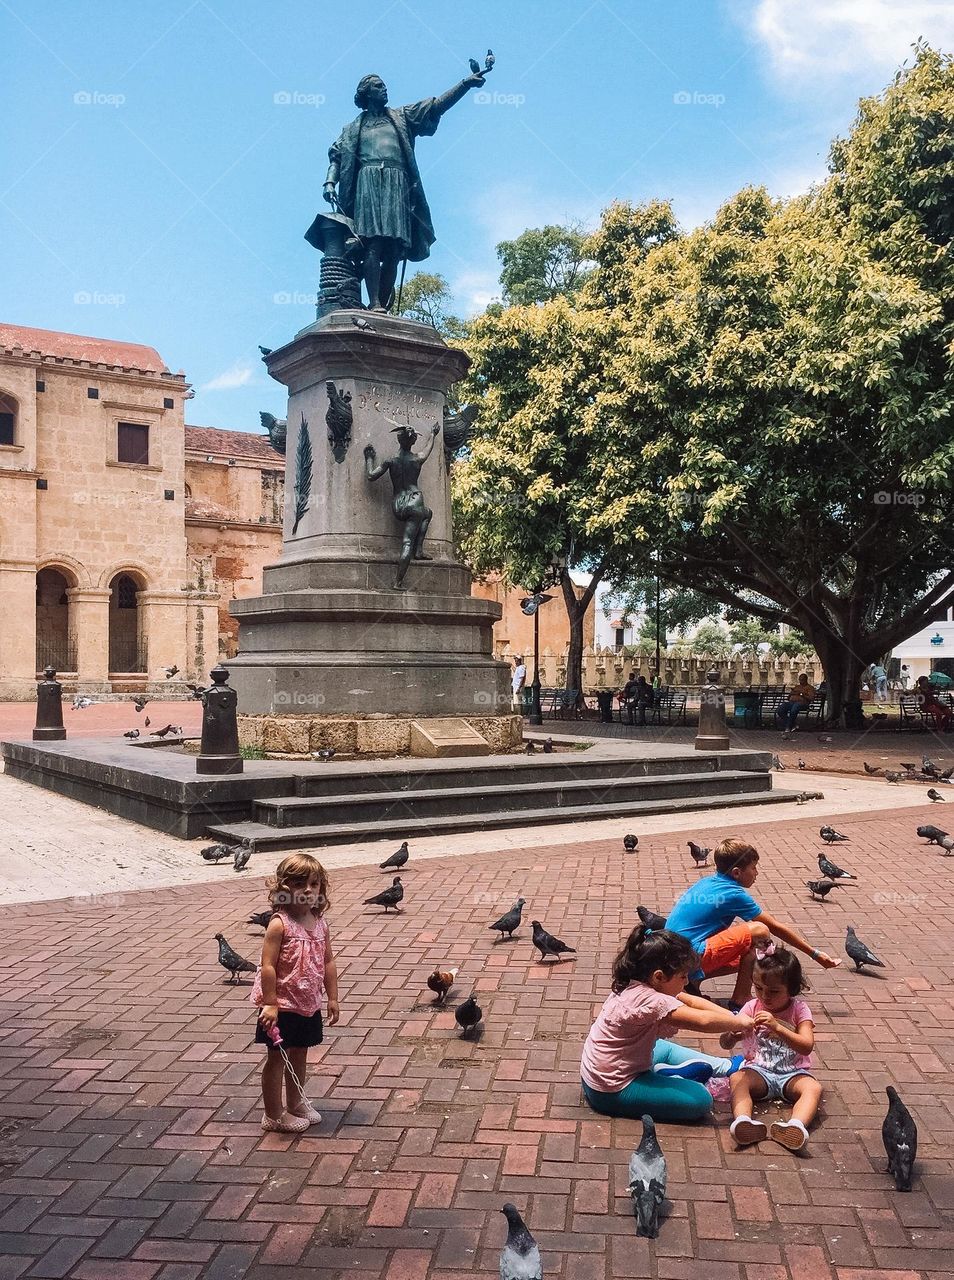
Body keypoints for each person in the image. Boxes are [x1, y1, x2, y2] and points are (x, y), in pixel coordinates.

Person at [322, 71, 488, 311]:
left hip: (397, 182)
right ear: (366, 94)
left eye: (384, 86)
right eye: (379, 87)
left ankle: (383, 306)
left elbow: (435, 106)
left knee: (395, 248)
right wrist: (329, 182)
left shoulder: (401, 117)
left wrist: (465, 84)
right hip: (368, 183)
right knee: (373, 243)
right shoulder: (352, 129)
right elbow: (336, 156)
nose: (385, 89)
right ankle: (375, 303)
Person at [581, 926, 754, 1123]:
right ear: (659, 976)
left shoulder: (637, 981)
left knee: (663, 1047)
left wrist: (733, 1016)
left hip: (599, 1072)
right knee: (700, 1100)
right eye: (683, 976)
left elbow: (691, 1001)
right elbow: (702, 1021)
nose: (687, 981)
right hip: (612, 1089)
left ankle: (724, 1066)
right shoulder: (651, 1001)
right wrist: (741, 1021)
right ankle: (669, 1077)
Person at [664, 837, 840, 1009]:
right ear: (737, 872)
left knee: (754, 950)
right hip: (688, 957)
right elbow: (773, 926)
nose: (756, 873)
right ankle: (740, 999)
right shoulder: (734, 894)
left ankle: (692, 983)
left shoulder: (707, 882)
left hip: (673, 958)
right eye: (753, 868)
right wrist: (815, 954)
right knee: (760, 932)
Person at [252, 854, 339, 1133]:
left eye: (314, 884)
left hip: (307, 1003)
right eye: (300, 884)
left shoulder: (320, 923)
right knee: (278, 1057)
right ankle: (273, 1114)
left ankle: (295, 1101)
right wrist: (270, 1003)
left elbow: (327, 962)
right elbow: (267, 965)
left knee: (300, 1053)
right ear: (284, 888)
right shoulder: (280, 924)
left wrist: (333, 997)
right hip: (282, 1004)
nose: (309, 890)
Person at [720, 944, 821, 1151]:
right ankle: (743, 1122)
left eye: (774, 991)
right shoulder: (751, 1007)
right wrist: (732, 1034)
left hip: (792, 1073)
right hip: (759, 1070)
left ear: (791, 989)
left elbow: (807, 1046)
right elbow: (725, 1043)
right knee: (737, 1079)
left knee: (813, 1088)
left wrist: (778, 1027)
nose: (765, 996)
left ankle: (795, 1126)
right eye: (758, 988)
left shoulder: (799, 1010)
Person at [364, 423, 441, 585]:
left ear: (399, 440)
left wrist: (369, 458)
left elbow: (371, 476)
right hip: (415, 501)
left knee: (428, 513)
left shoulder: (390, 460)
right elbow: (428, 448)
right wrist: (433, 434)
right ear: (412, 441)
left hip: (398, 506)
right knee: (407, 541)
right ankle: (398, 581)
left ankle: (418, 552)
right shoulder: (417, 459)